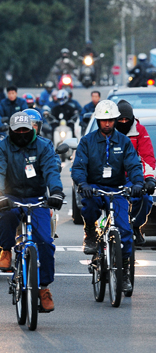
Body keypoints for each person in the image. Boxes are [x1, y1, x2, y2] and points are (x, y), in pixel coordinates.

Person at [0, 112, 64, 312]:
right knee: (6, 217)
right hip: (11, 197)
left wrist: (56, 192)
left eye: (26, 129)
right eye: (18, 130)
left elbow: (51, 170)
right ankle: (6, 250)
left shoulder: (44, 146)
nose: (22, 133)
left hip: (38, 198)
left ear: (32, 129)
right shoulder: (2, 147)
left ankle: (44, 288)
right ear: (11, 131)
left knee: (46, 242)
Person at [71, 100, 144, 292]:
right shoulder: (87, 141)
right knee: (89, 205)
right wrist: (83, 184)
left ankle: (125, 272)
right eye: (103, 120)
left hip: (117, 189)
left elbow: (134, 165)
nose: (107, 124)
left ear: (115, 120)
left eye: (111, 120)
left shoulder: (124, 141)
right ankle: (91, 234)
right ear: (98, 120)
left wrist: (137, 183)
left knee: (125, 230)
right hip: (94, 187)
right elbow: (78, 167)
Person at [116, 100, 156, 245]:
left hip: (133, 176)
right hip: (111, 176)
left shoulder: (140, 131)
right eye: (121, 119)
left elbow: (147, 156)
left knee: (145, 198)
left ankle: (135, 226)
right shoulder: (108, 130)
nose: (124, 122)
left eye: (127, 119)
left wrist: (149, 178)